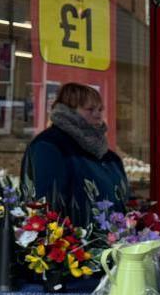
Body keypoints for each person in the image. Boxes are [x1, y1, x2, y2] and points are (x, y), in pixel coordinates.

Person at [20, 83, 128, 225]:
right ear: (69, 111)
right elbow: (45, 203)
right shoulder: (49, 146)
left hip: (112, 241)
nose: (98, 115)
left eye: (100, 109)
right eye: (90, 109)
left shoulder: (107, 155)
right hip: (75, 243)